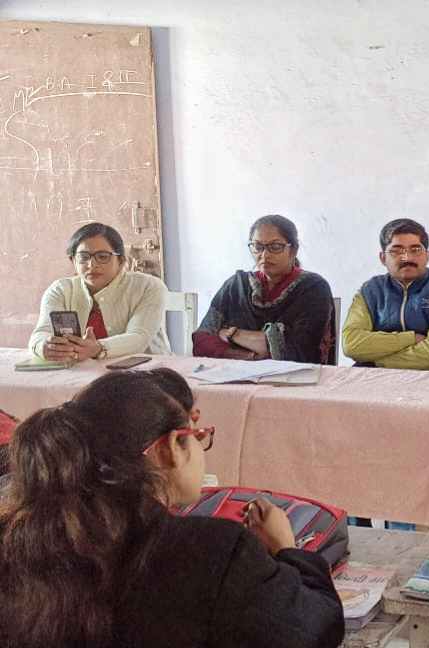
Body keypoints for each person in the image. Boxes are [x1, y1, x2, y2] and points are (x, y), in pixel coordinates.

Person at [0, 371, 344, 648]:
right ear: (170, 448)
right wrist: (288, 550)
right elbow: (316, 630)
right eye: (197, 435)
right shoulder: (214, 551)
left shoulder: (16, 537)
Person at [193, 215, 336, 364]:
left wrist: (233, 334)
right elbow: (201, 340)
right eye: (257, 247)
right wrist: (248, 356)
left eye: (275, 247)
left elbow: (300, 349)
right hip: (234, 373)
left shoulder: (313, 288)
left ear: (293, 250)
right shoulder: (236, 286)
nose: (265, 255)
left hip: (295, 377)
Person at [28, 222, 171, 361]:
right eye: (83, 257)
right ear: (73, 261)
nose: (92, 265)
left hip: (146, 370)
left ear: (121, 261)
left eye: (102, 257)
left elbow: (138, 337)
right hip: (82, 371)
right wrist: (44, 347)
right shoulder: (60, 290)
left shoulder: (148, 287)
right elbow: (41, 332)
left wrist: (99, 348)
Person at [342, 218, 429, 371]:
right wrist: (411, 338)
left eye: (415, 250)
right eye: (396, 251)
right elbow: (351, 344)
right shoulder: (370, 291)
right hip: (372, 380)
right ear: (383, 258)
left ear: (427, 256)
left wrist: (374, 362)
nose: (407, 258)